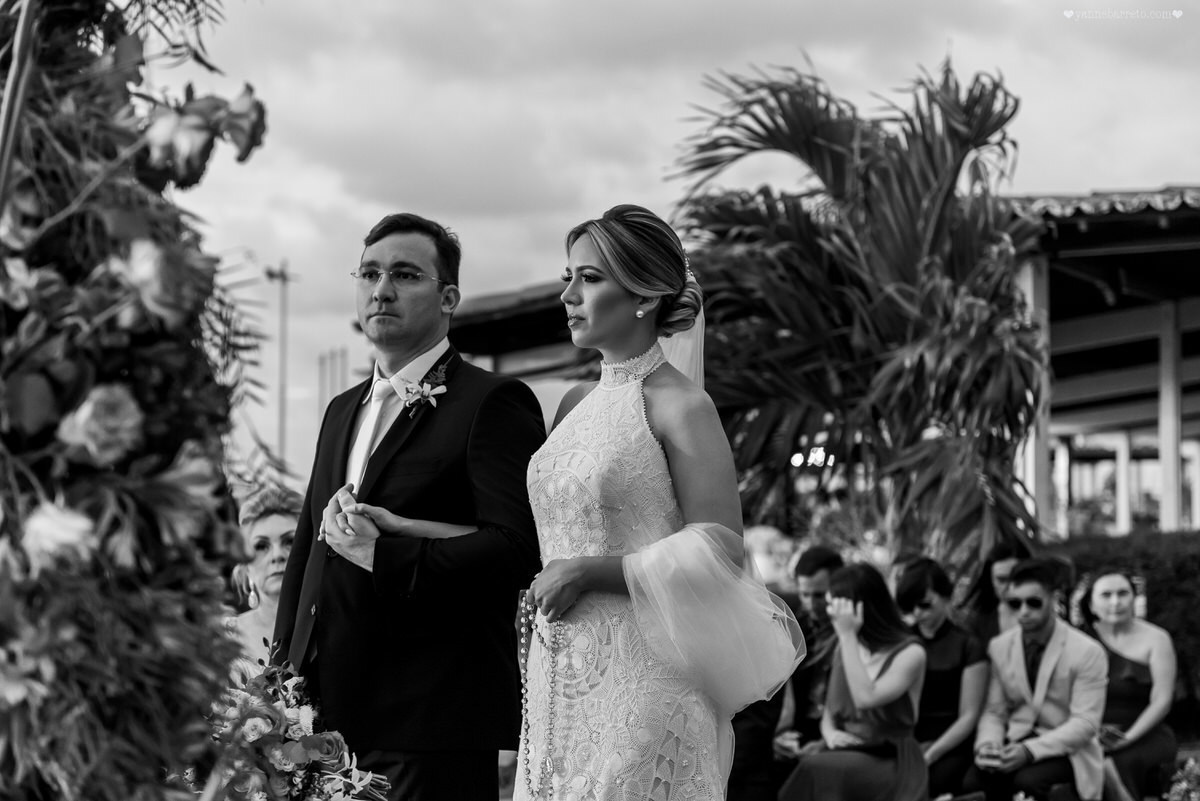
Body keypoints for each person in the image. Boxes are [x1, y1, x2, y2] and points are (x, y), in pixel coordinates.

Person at [518, 204, 805, 800]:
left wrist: (588, 571)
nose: (568, 295)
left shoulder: (682, 405)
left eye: (589, 278)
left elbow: (721, 547)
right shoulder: (573, 404)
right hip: (557, 675)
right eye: (568, 277)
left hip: (645, 681)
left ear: (644, 295)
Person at [272, 213, 547, 801]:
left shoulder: (493, 401)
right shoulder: (340, 409)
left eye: (404, 274)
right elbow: (307, 553)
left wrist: (387, 555)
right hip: (319, 721)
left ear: (448, 298)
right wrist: (279, 680)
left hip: (429, 719)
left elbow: (519, 549)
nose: (381, 290)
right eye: (369, 273)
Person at [778, 562, 928, 801]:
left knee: (819, 769)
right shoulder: (845, 649)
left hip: (890, 757)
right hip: (846, 750)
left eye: (836, 607)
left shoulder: (910, 653)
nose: (831, 615)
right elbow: (829, 714)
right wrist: (831, 735)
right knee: (808, 765)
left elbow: (866, 698)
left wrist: (848, 635)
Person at [964, 558, 1108, 801]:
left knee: (1027, 782)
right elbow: (994, 712)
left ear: (1053, 599)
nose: (1023, 611)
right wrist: (988, 745)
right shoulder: (999, 646)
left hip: (1068, 749)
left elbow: (1085, 723)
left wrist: (1029, 751)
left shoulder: (1087, 651)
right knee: (974, 782)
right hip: (1015, 738)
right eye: (1014, 603)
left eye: (1033, 602)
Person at [1078, 569, 1177, 801]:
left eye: (1123, 593)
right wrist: (1088, 733)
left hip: (1146, 732)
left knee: (1119, 764)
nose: (1116, 602)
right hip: (1090, 734)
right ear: (1091, 604)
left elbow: (1162, 701)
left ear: (1134, 598)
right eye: (1106, 595)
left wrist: (1126, 739)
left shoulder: (1157, 639)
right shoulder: (1078, 640)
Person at [895, 558, 988, 799]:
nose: (918, 613)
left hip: (952, 743)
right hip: (905, 740)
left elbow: (969, 716)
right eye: (910, 607)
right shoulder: (900, 642)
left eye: (925, 605)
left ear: (946, 596)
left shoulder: (968, 645)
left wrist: (931, 754)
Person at [228, 486, 303, 678]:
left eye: (290, 541)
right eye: (261, 546)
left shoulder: (334, 628)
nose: (277, 555)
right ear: (245, 564)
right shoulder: (223, 638)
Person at [960, 540, 1029, 645]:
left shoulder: (1046, 615)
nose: (1010, 586)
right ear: (991, 581)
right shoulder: (979, 623)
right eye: (1002, 580)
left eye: (1016, 577)